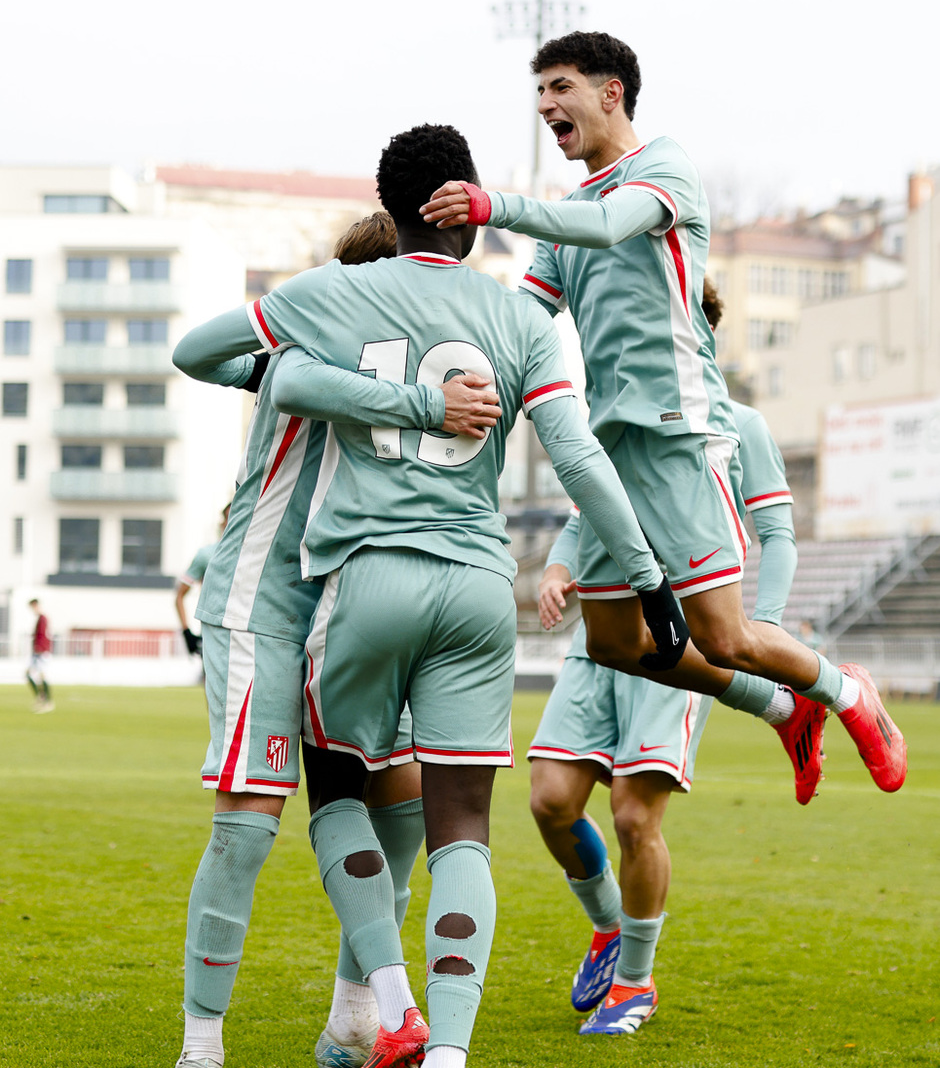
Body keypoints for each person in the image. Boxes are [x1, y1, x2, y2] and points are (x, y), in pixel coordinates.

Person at [178, 122, 688, 1068]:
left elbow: (194, 353)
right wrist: (649, 574)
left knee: (334, 788)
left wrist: (301, 377)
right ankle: (447, 1052)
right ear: (468, 205)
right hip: (482, 587)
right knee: (462, 828)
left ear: (391, 202)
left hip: (368, 579)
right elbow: (576, 455)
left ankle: (369, 1008)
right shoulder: (526, 320)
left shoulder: (334, 293)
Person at [420, 29, 906, 814]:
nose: (546, 105)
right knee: (615, 644)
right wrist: (435, 325)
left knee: (727, 638)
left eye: (561, 87)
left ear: (612, 92)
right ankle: (786, 707)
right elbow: (526, 315)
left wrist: (493, 205)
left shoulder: (664, 170)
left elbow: (611, 226)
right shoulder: (570, 212)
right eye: (539, 91)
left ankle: (847, 690)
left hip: (681, 435)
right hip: (611, 454)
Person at [170, 211, 501, 1068]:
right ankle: (201, 1048)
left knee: (396, 808)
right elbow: (209, 357)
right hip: (262, 600)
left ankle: (360, 1015)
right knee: (249, 821)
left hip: (358, 601)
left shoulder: (422, 350)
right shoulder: (302, 350)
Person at [525, 274, 806, 1037]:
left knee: (631, 815)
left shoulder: (739, 424)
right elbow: (591, 517)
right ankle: (610, 926)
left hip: (676, 644)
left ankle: (636, 986)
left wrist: (763, 634)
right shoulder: (614, 420)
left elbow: (776, 534)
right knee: (551, 801)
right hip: (604, 642)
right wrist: (557, 565)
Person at [175, 505, 230, 658]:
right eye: (228, 517)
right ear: (222, 523)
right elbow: (179, 596)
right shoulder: (206, 555)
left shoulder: (254, 555)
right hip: (212, 636)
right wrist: (186, 632)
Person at [27, 598, 54, 713]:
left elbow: (43, 635)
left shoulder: (43, 619)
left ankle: (48, 701)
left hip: (42, 652)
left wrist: (40, 648)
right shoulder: (40, 619)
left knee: (42, 675)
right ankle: (41, 697)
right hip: (38, 652)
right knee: (29, 674)